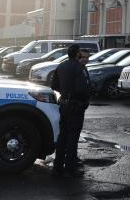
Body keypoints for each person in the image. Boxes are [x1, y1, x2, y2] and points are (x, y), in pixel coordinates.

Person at [50, 44, 91, 178]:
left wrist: (65, 92)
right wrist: (84, 99)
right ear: (77, 53)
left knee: (62, 136)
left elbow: (54, 85)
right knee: (73, 138)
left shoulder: (61, 66)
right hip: (76, 106)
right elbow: (82, 89)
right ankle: (70, 169)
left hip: (64, 105)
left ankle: (57, 167)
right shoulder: (79, 68)